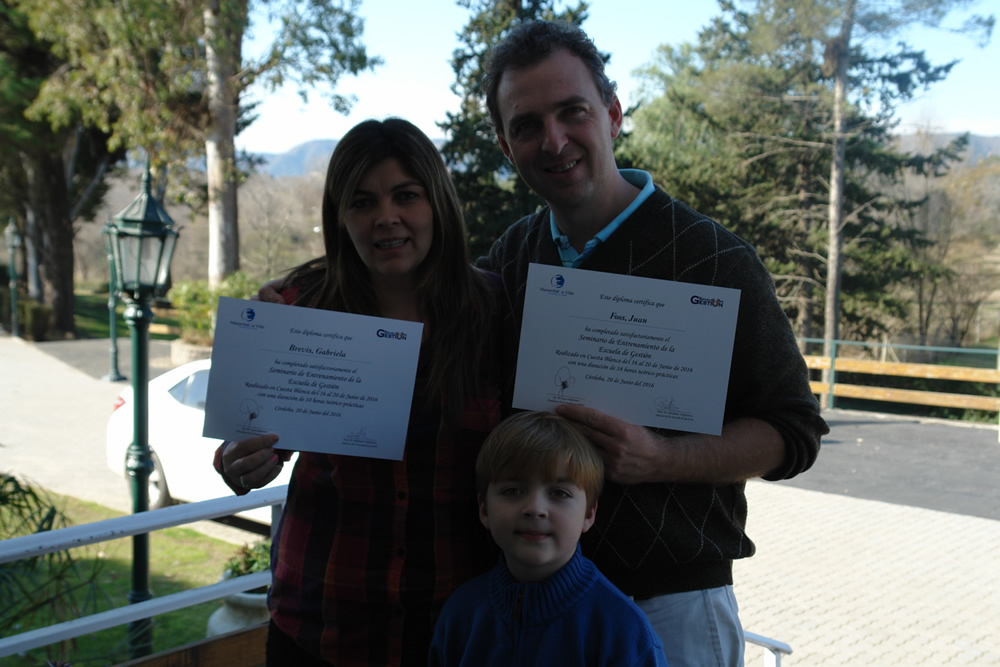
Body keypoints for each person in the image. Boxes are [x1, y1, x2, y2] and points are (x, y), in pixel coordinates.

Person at [476, 20, 830, 667]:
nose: (553, 140)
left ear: (613, 114)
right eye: (527, 125)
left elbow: (794, 432)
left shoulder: (714, 259)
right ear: (505, 145)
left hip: (671, 604)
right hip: (532, 601)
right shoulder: (512, 255)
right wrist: (304, 299)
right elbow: (428, 330)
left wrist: (662, 456)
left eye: (573, 111)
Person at [214, 118, 502, 666]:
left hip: (455, 629)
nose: (385, 217)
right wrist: (241, 460)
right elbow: (245, 442)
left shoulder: (495, 313)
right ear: (340, 216)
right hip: (321, 623)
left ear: (438, 203)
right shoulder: (297, 305)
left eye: (406, 195)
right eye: (363, 202)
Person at [428, 411, 668, 667]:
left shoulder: (622, 630)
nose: (535, 508)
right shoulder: (461, 614)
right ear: (484, 509)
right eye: (513, 490)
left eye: (559, 493)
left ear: (589, 514)